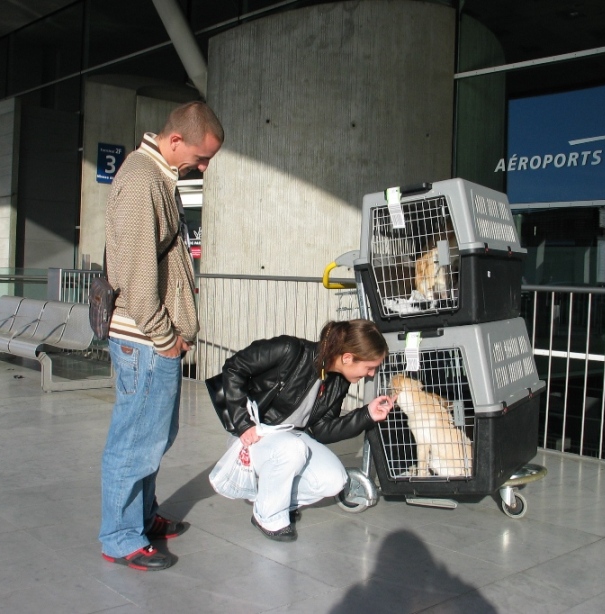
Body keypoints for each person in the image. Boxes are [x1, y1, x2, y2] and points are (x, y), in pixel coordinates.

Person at [99, 101, 224, 571]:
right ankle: (120, 537)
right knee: (134, 442)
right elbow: (133, 275)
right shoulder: (141, 181)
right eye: (201, 156)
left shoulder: (159, 177)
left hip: (154, 339)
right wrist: (165, 336)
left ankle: (142, 516)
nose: (204, 166)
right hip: (145, 340)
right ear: (175, 142)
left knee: (153, 436)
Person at [216, 319, 394, 542]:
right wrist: (243, 423)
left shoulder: (339, 382)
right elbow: (234, 367)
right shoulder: (289, 350)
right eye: (370, 367)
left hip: (291, 437)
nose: (370, 374)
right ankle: (267, 516)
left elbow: (321, 430)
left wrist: (367, 414)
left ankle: (276, 500)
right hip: (257, 434)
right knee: (293, 448)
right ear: (348, 358)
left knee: (334, 480)